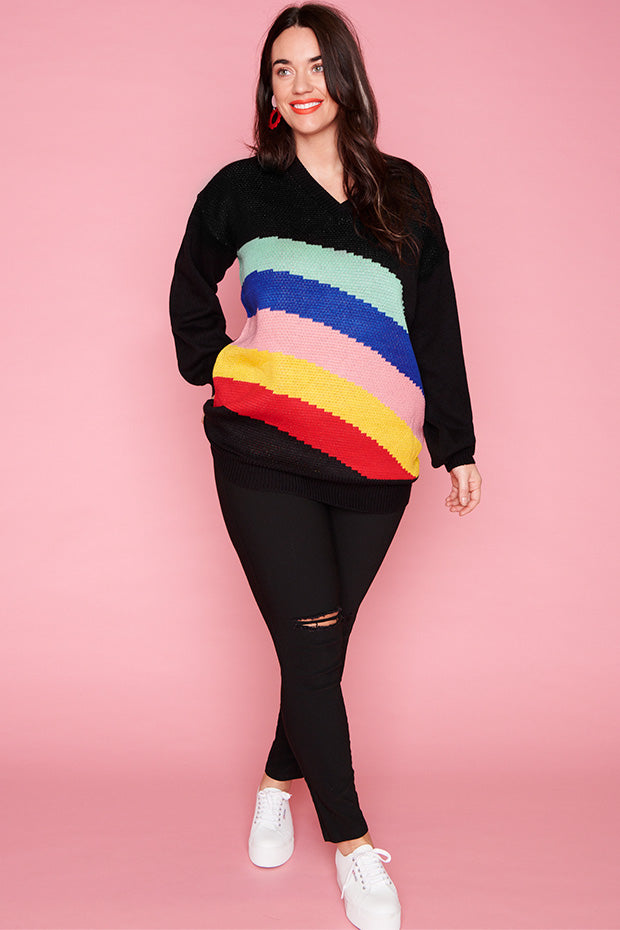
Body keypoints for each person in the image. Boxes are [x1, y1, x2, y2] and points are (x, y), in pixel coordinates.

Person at [169, 4, 482, 928]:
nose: (300, 84)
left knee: (321, 647)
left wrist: (457, 444)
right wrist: (215, 365)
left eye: (315, 65)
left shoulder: (403, 190)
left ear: (346, 78)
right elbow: (189, 288)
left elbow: (436, 321)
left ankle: (278, 780)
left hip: (376, 463)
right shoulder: (239, 190)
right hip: (262, 455)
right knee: (312, 648)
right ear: (268, 89)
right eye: (282, 69)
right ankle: (351, 843)